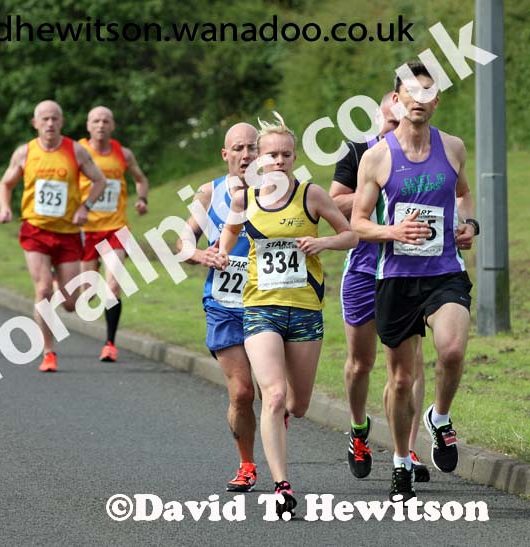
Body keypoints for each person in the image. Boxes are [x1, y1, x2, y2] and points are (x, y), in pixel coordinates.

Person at [215, 113, 356, 516]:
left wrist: (323, 243)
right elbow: (230, 231)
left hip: (306, 310)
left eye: (286, 154)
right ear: (259, 157)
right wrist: (223, 253)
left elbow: (351, 234)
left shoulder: (311, 195)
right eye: (271, 154)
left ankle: (281, 419)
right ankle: (282, 485)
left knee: (298, 404)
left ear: (294, 157)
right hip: (261, 307)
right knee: (273, 396)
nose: (278, 161)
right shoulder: (245, 198)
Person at [352, 61, 477, 501]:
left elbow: (462, 193)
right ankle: (402, 460)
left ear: (435, 101)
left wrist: (469, 224)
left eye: (427, 94)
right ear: (397, 100)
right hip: (397, 278)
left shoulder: (454, 147)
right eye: (411, 93)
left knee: (453, 350)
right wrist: (393, 232)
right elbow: (359, 222)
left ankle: (439, 417)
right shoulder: (378, 156)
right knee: (402, 380)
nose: (419, 101)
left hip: (444, 271)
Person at [329, 92, 430, 483]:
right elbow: (334, 203)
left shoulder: (419, 156)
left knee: (411, 366)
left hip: (406, 271)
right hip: (364, 270)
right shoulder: (359, 154)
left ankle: (407, 446)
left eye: (400, 124)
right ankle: (358, 429)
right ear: (376, 122)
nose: (396, 131)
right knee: (361, 363)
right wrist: (379, 185)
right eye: (390, 124)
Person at [178, 122, 261, 492]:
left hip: (270, 301)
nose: (246, 155)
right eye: (238, 148)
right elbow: (182, 241)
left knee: (281, 397)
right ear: (225, 155)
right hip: (224, 303)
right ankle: (246, 464)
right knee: (243, 393)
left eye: (252, 148)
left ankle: (276, 428)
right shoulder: (209, 192)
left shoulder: (279, 189)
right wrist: (199, 253)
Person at [0, 100, 108, 372]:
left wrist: (85, 206)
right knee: (43, 290)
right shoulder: (25, 152)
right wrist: (5, 208)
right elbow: (5, 183)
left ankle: (59, 281)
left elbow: (100, 180)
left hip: (68, 232)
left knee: (71, 304)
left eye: (54, 118)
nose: (49, 123)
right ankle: (48, 351)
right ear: (35, 123)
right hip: (36, 230)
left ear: (62, 121)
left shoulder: (76, 151)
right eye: (44, 119)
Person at [78, 106, 149, 361]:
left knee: (114, 285)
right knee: (86, 292)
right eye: (95, 120)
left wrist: (142, 199)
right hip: (85, 229)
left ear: (113, 125)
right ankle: (59, 279)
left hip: (115, 228)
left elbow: (140, 179)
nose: (100, 125)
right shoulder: (78, 151)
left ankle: (110, 343)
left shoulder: (123, 154)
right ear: (88, 125)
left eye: (106, 120)